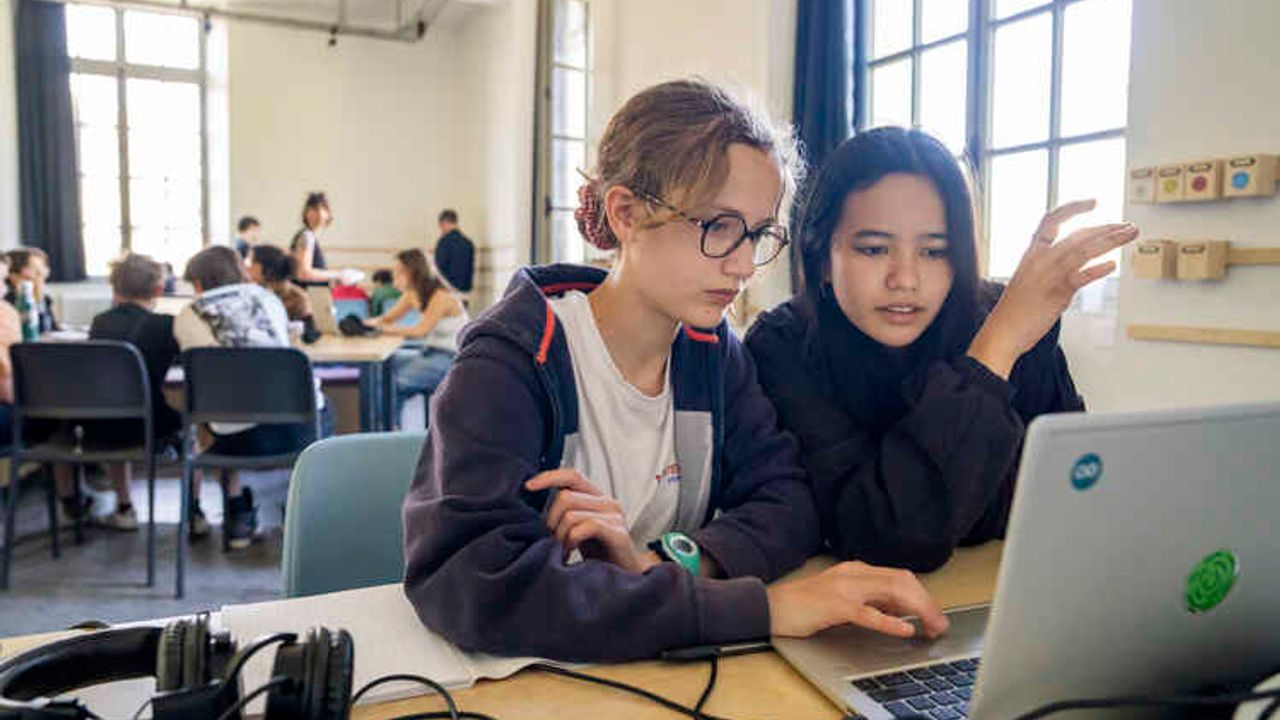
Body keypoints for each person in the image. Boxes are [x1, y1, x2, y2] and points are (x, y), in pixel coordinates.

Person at [402, 80, 949, 663]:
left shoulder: (712, 352)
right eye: (716, 226)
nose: (743, 266)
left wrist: (668, 562)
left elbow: (788, 500)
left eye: (759, 234)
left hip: (654, 672)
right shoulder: (513, 359)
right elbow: (471, 580)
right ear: (626, 213)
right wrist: (763, 611)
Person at [745, 127, 1137, 572]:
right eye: (874, 249)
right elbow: (889, 538)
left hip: (1006, 590)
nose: (905, 279)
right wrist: (997, 347)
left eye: (934, 252)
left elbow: (1070, 490)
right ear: (821, 259)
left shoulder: (1004, 314)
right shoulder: (781, 347)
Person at [175, 245, 320, 549]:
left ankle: (235, 510)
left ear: (198, 284)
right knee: (320, 405)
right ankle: (304, 510)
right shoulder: (268, 300)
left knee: (207, 413)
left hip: (234, 443)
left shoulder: (188, 315)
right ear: (239, 271)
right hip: (299, 432)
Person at [87, 254, 209, 536]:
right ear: (158, 290)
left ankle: (124, 507)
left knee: (122, 415)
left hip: (103, 421)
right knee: (191, 431)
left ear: (114, 290)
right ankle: (194, 512)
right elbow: (186, 358)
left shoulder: (99, 322)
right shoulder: (166, 325)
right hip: (151, 423)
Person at [365, 249, 467, 416]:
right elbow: (387, 319)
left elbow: (420, 331)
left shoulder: (441, 296)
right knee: (381, 367)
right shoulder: (412, 294)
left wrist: (383, 329)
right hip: (429, 353)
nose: (395, 276)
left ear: (414, 272)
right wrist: (362, 324)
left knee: (392, 383)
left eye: (399, 272)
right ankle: (380, 424)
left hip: (451, 359)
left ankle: (391, 431)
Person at [248, 244, 313, 323]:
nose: (246, 267)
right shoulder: (253, 292)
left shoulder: (296, 298)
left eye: (250, 262)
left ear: (266, 268)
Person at [290, 193, 341, 284]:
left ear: (328, 214)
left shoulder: (309, 236)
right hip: (308, 294)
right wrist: (339, 275)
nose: (319, 213)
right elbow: (303, 273)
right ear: (306, 213)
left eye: (323, 208)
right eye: (314, 209)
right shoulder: (307, 236)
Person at [4, 247, 57, 333]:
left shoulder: (45, 299)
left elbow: (50, 330)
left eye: (43, 268)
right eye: (36, 271)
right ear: (13, 275)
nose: (42, 274)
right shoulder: (7, 302)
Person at [433, 209, 474, 294]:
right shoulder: (468, 243)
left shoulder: (444, 242)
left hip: (447, 291)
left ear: (444, 223)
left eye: (440, 226)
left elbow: (438, 268)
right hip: (465, 291)